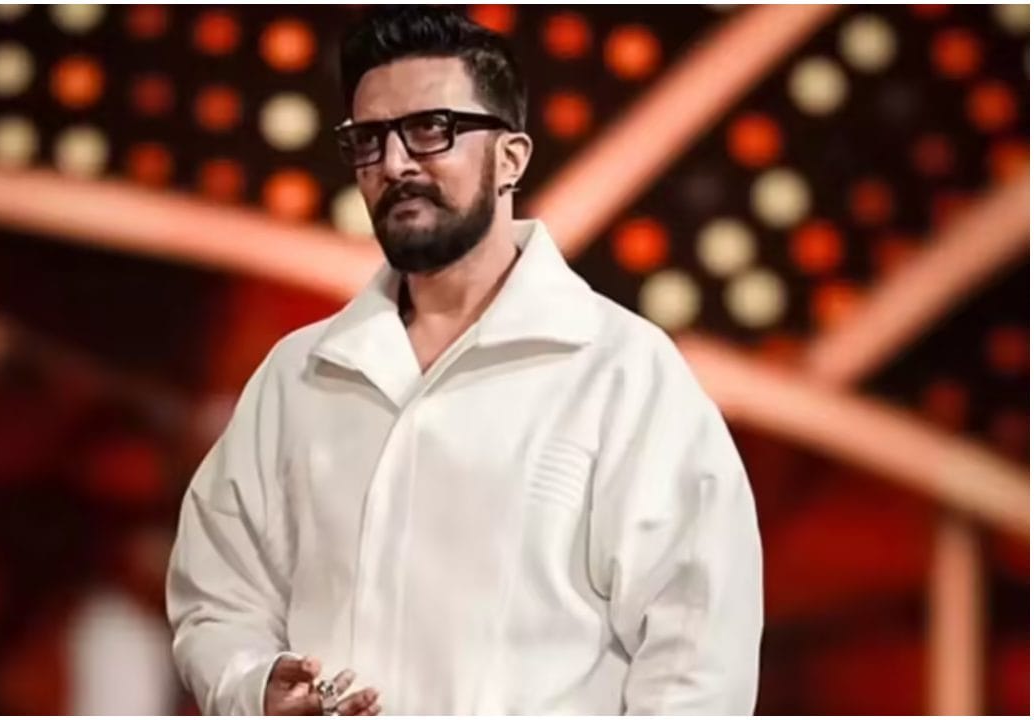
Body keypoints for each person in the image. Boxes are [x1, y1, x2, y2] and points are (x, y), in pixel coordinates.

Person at [167, 6, 762, 715]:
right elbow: (216, 596)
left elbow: (699, 652)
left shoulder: (621, 373)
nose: (394, 164)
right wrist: (254, 685)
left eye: (430, 129)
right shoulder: (297, 376)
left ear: (512, 158)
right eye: (369, 140)